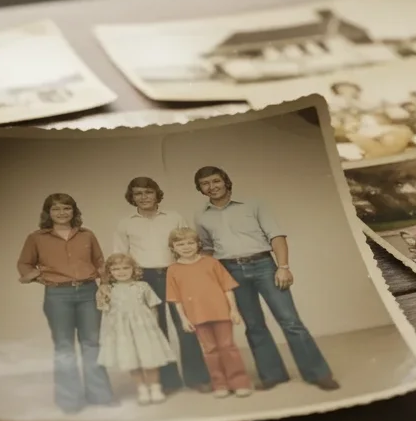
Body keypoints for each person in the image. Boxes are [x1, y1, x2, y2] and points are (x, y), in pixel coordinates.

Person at [192, 166, 339, 392]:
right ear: (200, 188)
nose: (212, 187)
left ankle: (317, 374)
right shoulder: (202, 216)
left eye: (215, 181)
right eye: (205, 184)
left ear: (226, 181)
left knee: (290, 321)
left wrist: (283, 267)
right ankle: (273, 375)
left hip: (264, 266)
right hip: (230, 271)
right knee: (254, 325)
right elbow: (208, 249)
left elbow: (276, 236)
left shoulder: (254, 205)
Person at [110, 176, 212, 394]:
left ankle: (197, 378)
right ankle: (167, 381)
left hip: (175, 274)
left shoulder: (174, 217)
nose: (144, 197)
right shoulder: (125, 223)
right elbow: (120, 256)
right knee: (155, 330)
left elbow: (188, 244)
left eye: (148, 192)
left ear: (157, 194)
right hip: (143, 278)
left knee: (187, 327)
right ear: (132, 197)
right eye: (138, 193)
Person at [17, 192, 116, 415]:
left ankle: (100, 396)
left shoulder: (87, 235)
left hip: (89, 293)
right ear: (48, 213)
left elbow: (99, 262)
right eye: (56, 209)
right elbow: (24, 264)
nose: (62, 213)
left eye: (67, 208)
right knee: (64, 347)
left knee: (91, 344)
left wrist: (105, 284)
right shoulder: (37, 238)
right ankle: (69, 401)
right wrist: (38, 276)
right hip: (58, 296)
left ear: (74, 211)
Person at [165, 227, 253, 399]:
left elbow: (227, 288)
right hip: (196, 316)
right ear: (173, 247)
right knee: (210, 350)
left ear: (198, 244)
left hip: (221, 312)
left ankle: (239, 383)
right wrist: (183, 319)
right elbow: (176, 299)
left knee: (228, 347)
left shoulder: (211, 262)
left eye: (190, 243)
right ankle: (220, 384)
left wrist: (233, 310)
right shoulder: (173, 270)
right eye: (180, 244)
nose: (186, 247)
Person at [96, 253, 175, 406]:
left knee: (150, 359)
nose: (121, 271)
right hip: (123, 331)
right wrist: (101, 295)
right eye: (116, 269)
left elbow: (153, 308)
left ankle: (155, 387)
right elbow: (105, 312)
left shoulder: (143, 286)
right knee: (132, 360)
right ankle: (142, 389)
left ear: (134, 269)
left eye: (126, 267)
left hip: (144, 328)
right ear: (109, 272)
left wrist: (154, 328)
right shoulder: (108, 290)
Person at [329, 81, 414, 159]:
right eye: (343, 89)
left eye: (349, 88)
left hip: (369, 128)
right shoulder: (339, 102)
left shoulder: (363, 103)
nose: (348, 91)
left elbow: (400, 114)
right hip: (355, 130)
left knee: (397, 133)